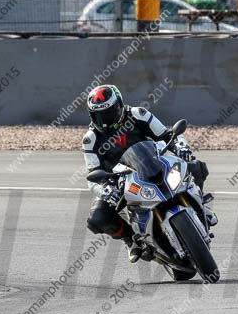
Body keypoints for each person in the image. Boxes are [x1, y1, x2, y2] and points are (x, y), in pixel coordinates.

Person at [82, 84, 216, 263]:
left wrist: (181, 147)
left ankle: (200, 203)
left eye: (108, 112)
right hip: (119, 180)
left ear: (119, 105)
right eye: (99, 115)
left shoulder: (138, 115)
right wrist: (106, 189)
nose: (104, 120)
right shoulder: (90, 139)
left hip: (153, 163)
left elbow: (168, 136)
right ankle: (130, 240)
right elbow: (92, 177)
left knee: (196, 166)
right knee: (97, 219)